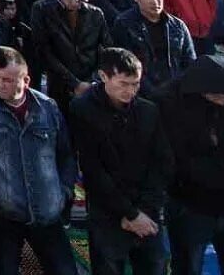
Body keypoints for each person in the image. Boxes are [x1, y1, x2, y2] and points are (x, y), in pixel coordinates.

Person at [0, 47, 78, 275]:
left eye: (7, 80)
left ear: (26, 80)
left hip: (47, 211)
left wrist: (64, 191)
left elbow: (66, 154)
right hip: (4, 212)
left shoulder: (48, 108)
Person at [69, 48, 173, 275]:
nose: (130, 91)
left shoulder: (148, 110)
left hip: (147, 208)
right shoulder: (83, 110)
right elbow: (92, 169)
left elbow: (162, 163)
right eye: (123, 84)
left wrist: (143, 211)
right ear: (104, 76)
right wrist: (129, 214)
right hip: (108, 211)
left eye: (135, 84)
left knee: (155, 265)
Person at [159, 55, 224, 275]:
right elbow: (180, 162)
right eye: (217, 96)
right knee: (188, 267)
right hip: (191, 204)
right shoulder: (169, 104)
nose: (223, 101)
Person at [110, 0, 196, 100]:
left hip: (176, 92)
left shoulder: (177, 26)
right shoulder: (124, 24)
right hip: (141, 93)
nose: (155, 2)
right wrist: (150, 91)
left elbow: (190, 62)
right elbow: (124, 63)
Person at [29, 0, 109, 101]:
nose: (76, 1)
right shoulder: (42, 10)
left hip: (92, 82)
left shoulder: (95, 14)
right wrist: (74, 83)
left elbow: (106, 48)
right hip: (59, 82)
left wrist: (94, 80)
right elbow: (43, 51)